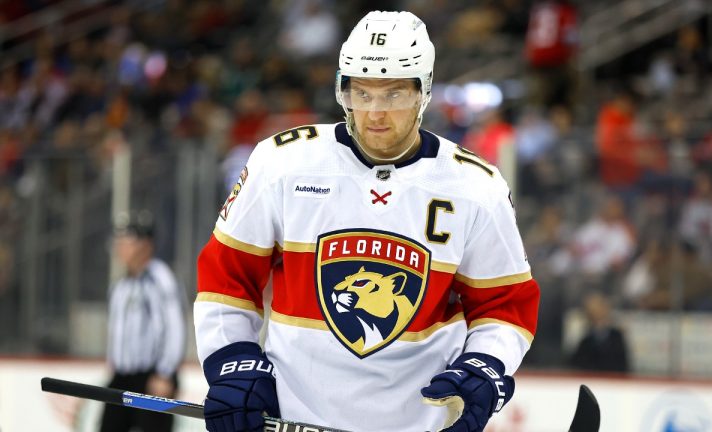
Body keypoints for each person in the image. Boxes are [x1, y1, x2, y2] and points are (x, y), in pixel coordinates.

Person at [195, 11, 540, 432]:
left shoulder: (475, 186)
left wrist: (486, 366)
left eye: (393, 95)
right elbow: (225, 280)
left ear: (423, 92)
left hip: (419, 423)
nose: (375, 112)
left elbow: (505, 306)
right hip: (293, 417)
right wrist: (232, 361)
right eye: (361, 93)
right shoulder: (281, 163)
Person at [101, 211, 187, 432]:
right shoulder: (121, 285)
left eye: (127, 239)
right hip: (122, 376)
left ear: (144, 244)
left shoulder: (159, 277)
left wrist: (165, 373)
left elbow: (174, 327)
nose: (120, 246)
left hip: (151, 376)